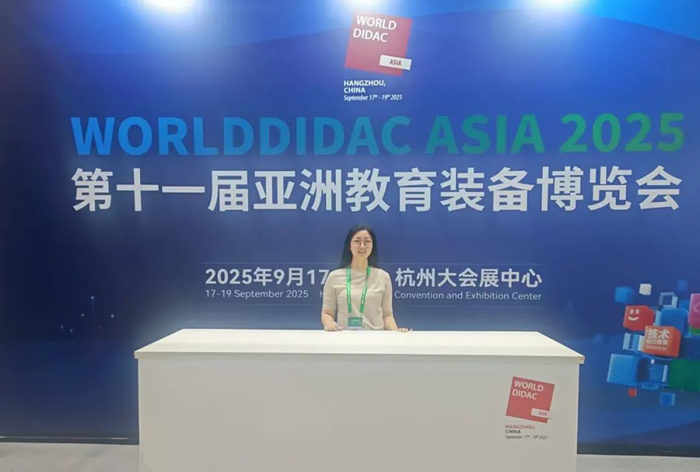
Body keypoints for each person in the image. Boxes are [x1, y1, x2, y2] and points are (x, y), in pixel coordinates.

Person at [321, 224, 410, 332]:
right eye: (357, 241)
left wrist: (396, 333)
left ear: (372, 246)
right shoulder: (334, 276)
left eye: (367, 241)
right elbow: (327, 313)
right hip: (345, 338)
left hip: (376, 338)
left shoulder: (383, 276)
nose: (362, 246)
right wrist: (330, 324)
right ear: (349, 245)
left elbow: (387, 316)